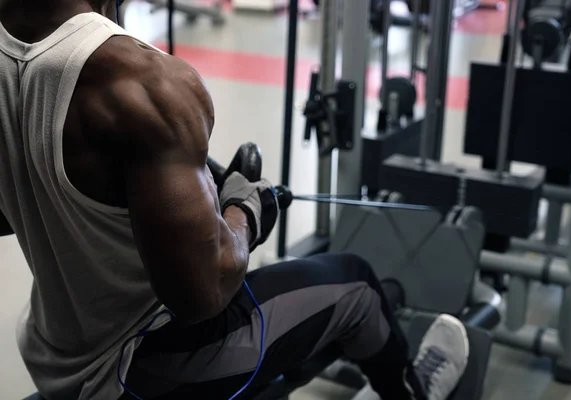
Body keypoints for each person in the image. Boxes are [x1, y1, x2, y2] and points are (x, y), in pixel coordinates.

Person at [0, 1, 470, 399]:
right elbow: (203, 295)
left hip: (59, 355)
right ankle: (412, 390)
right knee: (359, 287)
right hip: (143, 369)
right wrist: (245, 211)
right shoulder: (145, 84)